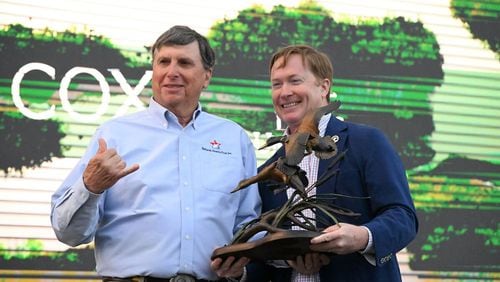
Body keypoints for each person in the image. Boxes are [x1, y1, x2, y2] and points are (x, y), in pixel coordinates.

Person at [50, 25, 261, 281]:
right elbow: (68, 234)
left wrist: (241, 269)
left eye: (184, 63)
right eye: (164, 62)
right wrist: (90, 186)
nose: (172, 72)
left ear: (206, 76)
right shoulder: (114, 135)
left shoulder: (234, 138)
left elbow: (248, 224)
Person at [245, 45, 418, 281]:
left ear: (324, 87)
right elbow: (266, 254)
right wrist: (246, 271)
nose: (284, 92)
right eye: (277, 84)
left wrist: (362, 237)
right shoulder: (271, 170)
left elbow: (403, 217)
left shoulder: (366, 142)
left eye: (295, 81)